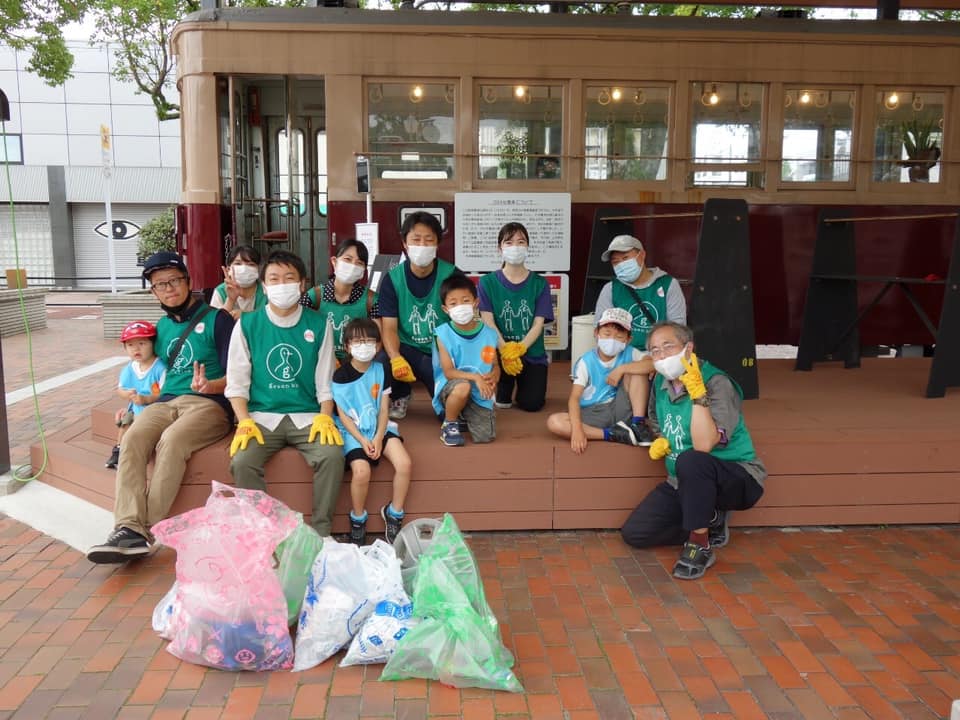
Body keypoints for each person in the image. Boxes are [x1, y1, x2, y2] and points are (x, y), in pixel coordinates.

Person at [87, 252, 235, 563]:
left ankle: (144, 530)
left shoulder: (218, 320)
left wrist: (211, 385)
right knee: (131, 439)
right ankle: (127, 526)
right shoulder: (162, 327)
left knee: (172, 440)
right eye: (159, 285)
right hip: (165, 402)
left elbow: (237, 374)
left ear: (188, 282)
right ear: (154, 292)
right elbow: (149, 371)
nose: (168, 289)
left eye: (174, 281)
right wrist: (131, 402)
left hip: (209, 404)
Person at [621, 322, 766, 580]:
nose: (662, 356)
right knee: (636, 533)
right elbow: (655, 418)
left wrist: (699, 396)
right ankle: (710, 518)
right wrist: (660, 439)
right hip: (682, 480)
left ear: (688, 349)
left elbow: (704, 445)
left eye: (668, 347)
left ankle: (700, 545)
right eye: (655, 351)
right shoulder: (661, 382)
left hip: (735, 476)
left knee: (692, 460)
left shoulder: (717, 382)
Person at [225, 250, 345, 537]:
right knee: (242, 461)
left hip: (308, 417)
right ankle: (263, 532)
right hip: (261, 418)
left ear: (302, 284)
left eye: (289, 278)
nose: (282, 285)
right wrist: (244, 420)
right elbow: (237, 381)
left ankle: (321, 533)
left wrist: (325, 416)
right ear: (264, 286)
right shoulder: (247, 324)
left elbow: (325, 380)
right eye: (274, 279)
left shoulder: (319, 324)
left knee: (332, 456)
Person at [332, 318, 412, 546]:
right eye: (358, 341)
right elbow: (343, 415)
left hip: (379, 427)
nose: (364, 346)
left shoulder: (381, 369)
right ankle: (358, 519)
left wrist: (378, 436)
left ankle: (394, 513)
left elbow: (384, 408)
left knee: (404, 463)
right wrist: (362, 439)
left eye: (369, 341)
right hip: (352, 432)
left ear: (378, 346)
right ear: (347, 346)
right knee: (361, 471)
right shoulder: (340, 376)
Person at [377, 211, 460, 420]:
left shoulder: (452, 275)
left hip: (441, 353)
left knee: (449, 414)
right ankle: (399, 394)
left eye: (429, 239)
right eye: (416, 239)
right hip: (406, 349)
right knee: (382, 360)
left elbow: (463, 324)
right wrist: (396, 358)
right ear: (405, 243)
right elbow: (389, 328)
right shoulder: (392, 280)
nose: (422, 245)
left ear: (437, 244)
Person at [546, 307, 654, 453]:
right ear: (596, 333)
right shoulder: (586, 361)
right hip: (593, 413)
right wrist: (577, 430)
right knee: (555, 422)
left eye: (619, 336)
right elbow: (574, 398)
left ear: (628, 340)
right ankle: (613, 434)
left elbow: (652, 363)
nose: (612, 340)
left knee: (637, 371)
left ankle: (638, 424)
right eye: (607, 334)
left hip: (620, 407)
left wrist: (622, 369)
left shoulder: (630, 352)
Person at [478, 222, 554, 412]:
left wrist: (519, 349)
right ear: (500, 248)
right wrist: (505, 350)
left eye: (521, 242)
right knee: (501, 401)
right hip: (499, 351)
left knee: (532, 404)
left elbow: (538, 324)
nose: (515, 247)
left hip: (531, 352)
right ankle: (504, 385)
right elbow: (488, 321)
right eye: (509, 242)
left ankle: (523, 386)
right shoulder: (487, 282)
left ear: (527, 247)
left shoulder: (540, 283)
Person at [433, 273, 500, 447]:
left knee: (485, 436)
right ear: (445, 309)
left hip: (480, 390)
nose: (460, 307)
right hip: (453, 386)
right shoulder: (443, 333)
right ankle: (449, 424)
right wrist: (476, 378)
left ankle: (464, 415)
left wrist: (494, 375)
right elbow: (449, 372)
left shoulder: (489, 334)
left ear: (475, 303)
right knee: (463, 387)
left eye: (465, 301)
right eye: (453, 303)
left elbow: (495, 365)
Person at [594, 234, 686, 352]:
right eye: (615, 262)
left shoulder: (668, 284)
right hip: (622, 356)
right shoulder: (610, 289)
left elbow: (678, 330)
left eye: (625, 258)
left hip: (660, 355)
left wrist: (656, 356)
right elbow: (600, 330)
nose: (621, 264)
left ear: (642, 255)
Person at [303, 238, 381, 361]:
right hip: (321, 360)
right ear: (334, 262)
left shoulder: (371, 300)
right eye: (347, 259)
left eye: (359, 263)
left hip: (358, 363)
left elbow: (378, 339)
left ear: (363, 271)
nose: (352, 266)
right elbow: (301, 328)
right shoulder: (314, 296)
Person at [105, 320, 167, 469]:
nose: (136, 349)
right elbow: (120, 389)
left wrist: (146, 398)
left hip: (154, 409)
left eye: (142, 343)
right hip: (135, 407)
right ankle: (118, 450)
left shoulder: (160, 368)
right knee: (125, 422)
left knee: (139, 428)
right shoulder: (130, 368)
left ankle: (135, 455)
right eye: (130, 345)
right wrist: (127, 395)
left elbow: (164, 394)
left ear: (153, 344)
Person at [210, 245, 266, 319]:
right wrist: (230, 300)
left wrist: (245, 316)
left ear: (258, 269)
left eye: (251, 264)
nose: (244, 269)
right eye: (238, 264)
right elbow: (214, 322)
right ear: (228, 269)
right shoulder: (221, 291)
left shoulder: (266, 291)